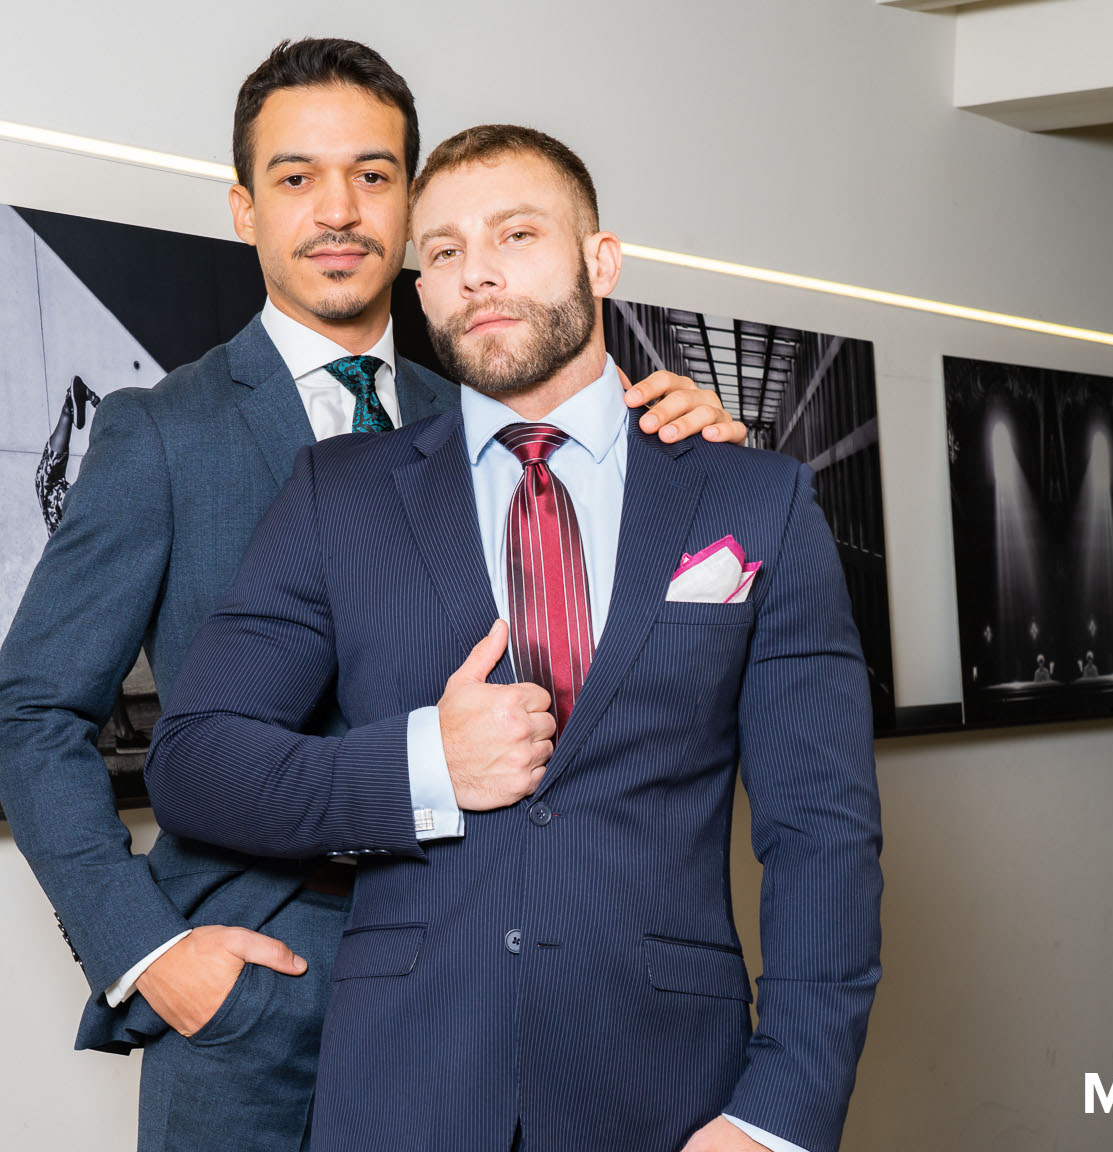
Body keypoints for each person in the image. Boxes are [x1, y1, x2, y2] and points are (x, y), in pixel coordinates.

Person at [0, 40, 743, 1152]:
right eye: (296, 177)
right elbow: (31, 713)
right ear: (244, 209)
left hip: (480, 978)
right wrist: (148, 952)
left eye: (372, 175)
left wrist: (682, 456)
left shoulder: (494, 410)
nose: (337, 210)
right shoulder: (162, 435)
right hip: (260, 991)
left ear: (412, 205)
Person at [145, 124, 882, 1152]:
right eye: (444, 250)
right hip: (404, 1096)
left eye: (517, 235)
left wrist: (779, 1116)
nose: (476, 273)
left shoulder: (753, 499)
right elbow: (193, 763)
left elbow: (821, 835)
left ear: (600, 260)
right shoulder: (338, 496)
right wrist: (425, 766)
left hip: (670, 1094)